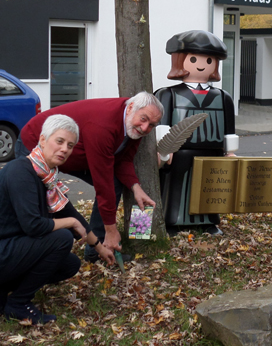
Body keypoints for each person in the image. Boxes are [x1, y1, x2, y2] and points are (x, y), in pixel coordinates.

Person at [17, 92, 162, 262]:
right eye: (143, 120)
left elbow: (123, 160)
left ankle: (96, 249)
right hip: (35, 142)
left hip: (77, 156)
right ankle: (28, 254)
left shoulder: (133, 126)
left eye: (152, 125)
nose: (145, 128)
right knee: (39, 205)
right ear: (130, 108)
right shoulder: (104, 125)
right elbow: (103, 182)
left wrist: (135, 187)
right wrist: (111, 229)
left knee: (114, 183)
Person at [1, 115, 114, 324]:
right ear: (43, 140)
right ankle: (17, 303)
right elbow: (34, 226)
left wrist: (100, 248)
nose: (65, 149)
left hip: (13, 249)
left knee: (69, 264)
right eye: (59, 141)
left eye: (70, 145)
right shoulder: (20, 171)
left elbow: (71, 213)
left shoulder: (46, 176)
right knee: (62, 237)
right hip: (4, 249)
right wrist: (70, 224)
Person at [155, 30, 236, 234]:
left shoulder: (223, 97)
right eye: (193, 59)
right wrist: (164, 150)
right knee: (176, 187)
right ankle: (173, 221)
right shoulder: (168, 94)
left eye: (209, 60)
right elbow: (163, 125)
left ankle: (207, 221)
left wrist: (231, 152)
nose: (202, 64)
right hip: (178, 153)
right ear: (179, 61)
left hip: (213, 153)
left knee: (209, 188)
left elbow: (229, 129)